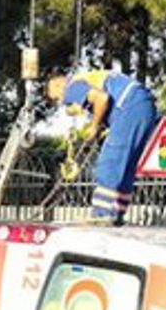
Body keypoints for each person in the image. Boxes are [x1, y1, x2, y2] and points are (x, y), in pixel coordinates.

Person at [45, 70, 158, 224]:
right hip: (145, 107)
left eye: (57, 97)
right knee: (125, 166)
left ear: (58, 84)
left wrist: (94, 126)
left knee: (109, 162)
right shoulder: (90, 78)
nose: (62, 102)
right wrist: (99, 125)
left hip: (128, 107)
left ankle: (102, 214)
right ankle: (117, 214)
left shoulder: (72, 87)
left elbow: (101, 98)